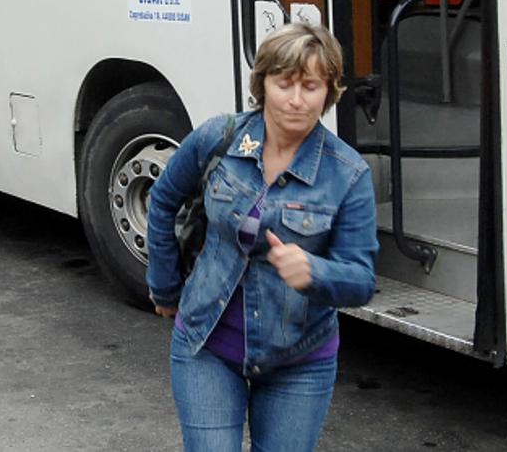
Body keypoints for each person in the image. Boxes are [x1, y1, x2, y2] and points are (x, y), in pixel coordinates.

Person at [146, 23, 378, 452]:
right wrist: (164, 287)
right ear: (262, 83)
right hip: (206, 346)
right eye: (283, 82)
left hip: (300, 361)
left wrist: (314, 271)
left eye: (310, 86)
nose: (295, 99)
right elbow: (162, 201)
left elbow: (362, 280)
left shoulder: (347, 175)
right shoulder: (220, 137)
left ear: (329, 92)